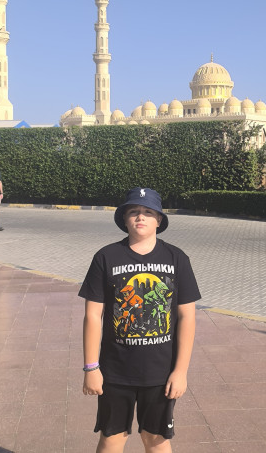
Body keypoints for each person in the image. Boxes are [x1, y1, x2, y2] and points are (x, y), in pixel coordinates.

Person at [79, 187, 201, 453]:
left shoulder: (177, 259)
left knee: (156, 439)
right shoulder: (106, 257)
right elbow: (93, 316)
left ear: (159, 220)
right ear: (124, 219)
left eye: (148, 212)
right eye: (133, 211)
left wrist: (181, 371)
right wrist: (91, 367)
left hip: (160, 373)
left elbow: (187, 317)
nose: (141, 216)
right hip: (115, 372)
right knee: (111, 438)